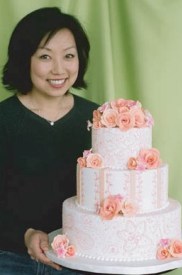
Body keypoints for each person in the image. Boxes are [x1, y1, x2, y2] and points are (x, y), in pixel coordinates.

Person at [0, 7, 99, 275]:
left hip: (83, 258)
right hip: (11, 255)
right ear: (25, 59)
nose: (59, 69)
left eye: (69, 56)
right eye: (45, 56)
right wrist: (27, 235)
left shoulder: (100, 118)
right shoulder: (4, 119)